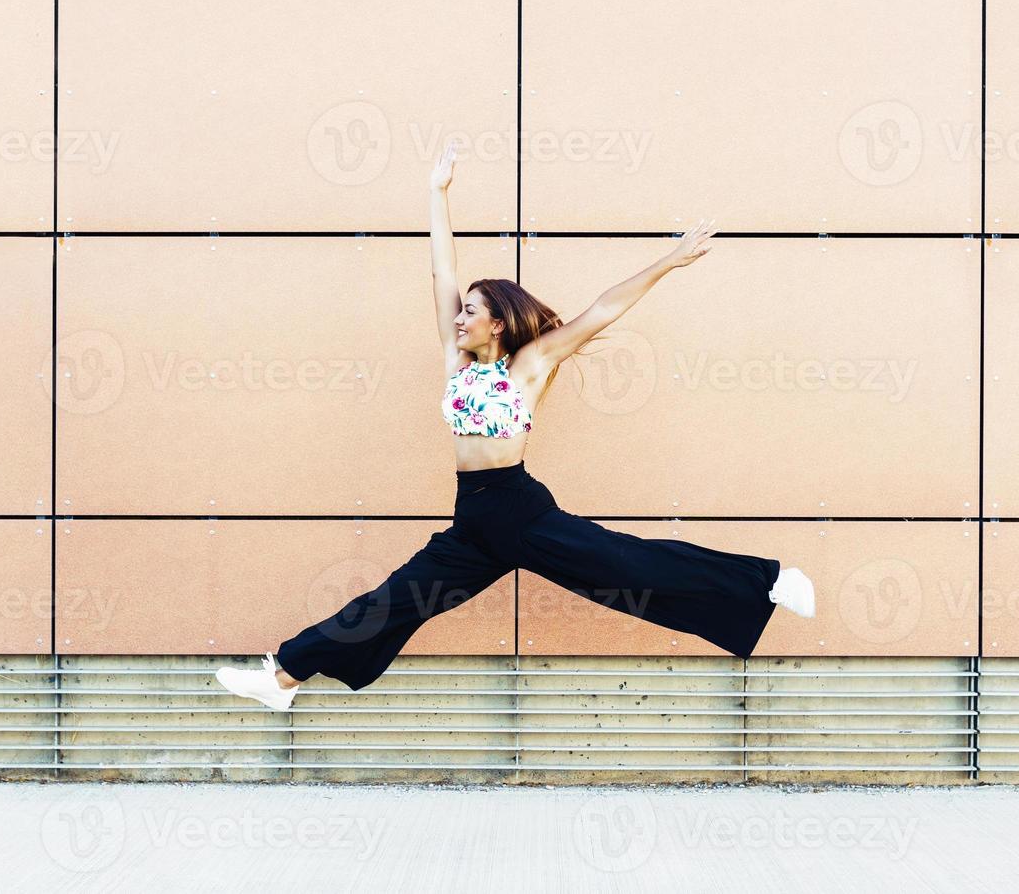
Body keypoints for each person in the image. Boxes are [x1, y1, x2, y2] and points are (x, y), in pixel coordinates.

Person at [215, 140, 815, 711]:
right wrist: (437, 193)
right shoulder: (457, 362)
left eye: (471, 312)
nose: (458, 318)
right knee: (393, 602)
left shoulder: (529, 366)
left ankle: (768, 579)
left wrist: (668, 261)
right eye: (461, 311)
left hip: (522, 512)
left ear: (497, 323)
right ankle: (284, 678)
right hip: (473, 521)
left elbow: (602, 309)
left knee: (631, 566)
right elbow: (440, 271)